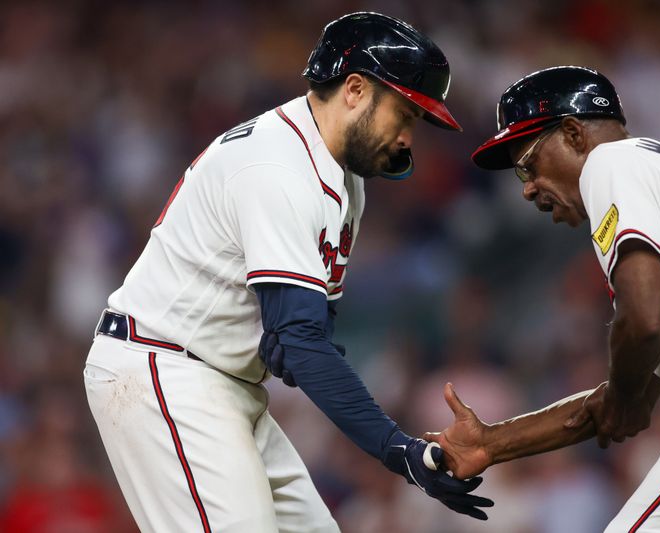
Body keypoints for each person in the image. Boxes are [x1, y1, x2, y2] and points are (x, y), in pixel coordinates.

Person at [83, 12, 492, 533]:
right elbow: (298, 341)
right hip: (166, 369)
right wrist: (399, 450)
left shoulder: (342, 177)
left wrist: (297, 339)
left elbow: (301, 335)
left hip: (225, 380)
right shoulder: (277, 166)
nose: (410, 139)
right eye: (405, 115)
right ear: (355, 89)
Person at [424, 65, 660, 532]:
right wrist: (493, 443)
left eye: (528, 163)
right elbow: (625, 397)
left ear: (573, 133)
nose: (526, 187)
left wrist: (624, 395)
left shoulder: (610, 163)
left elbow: (642, 325)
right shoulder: (658, 174)